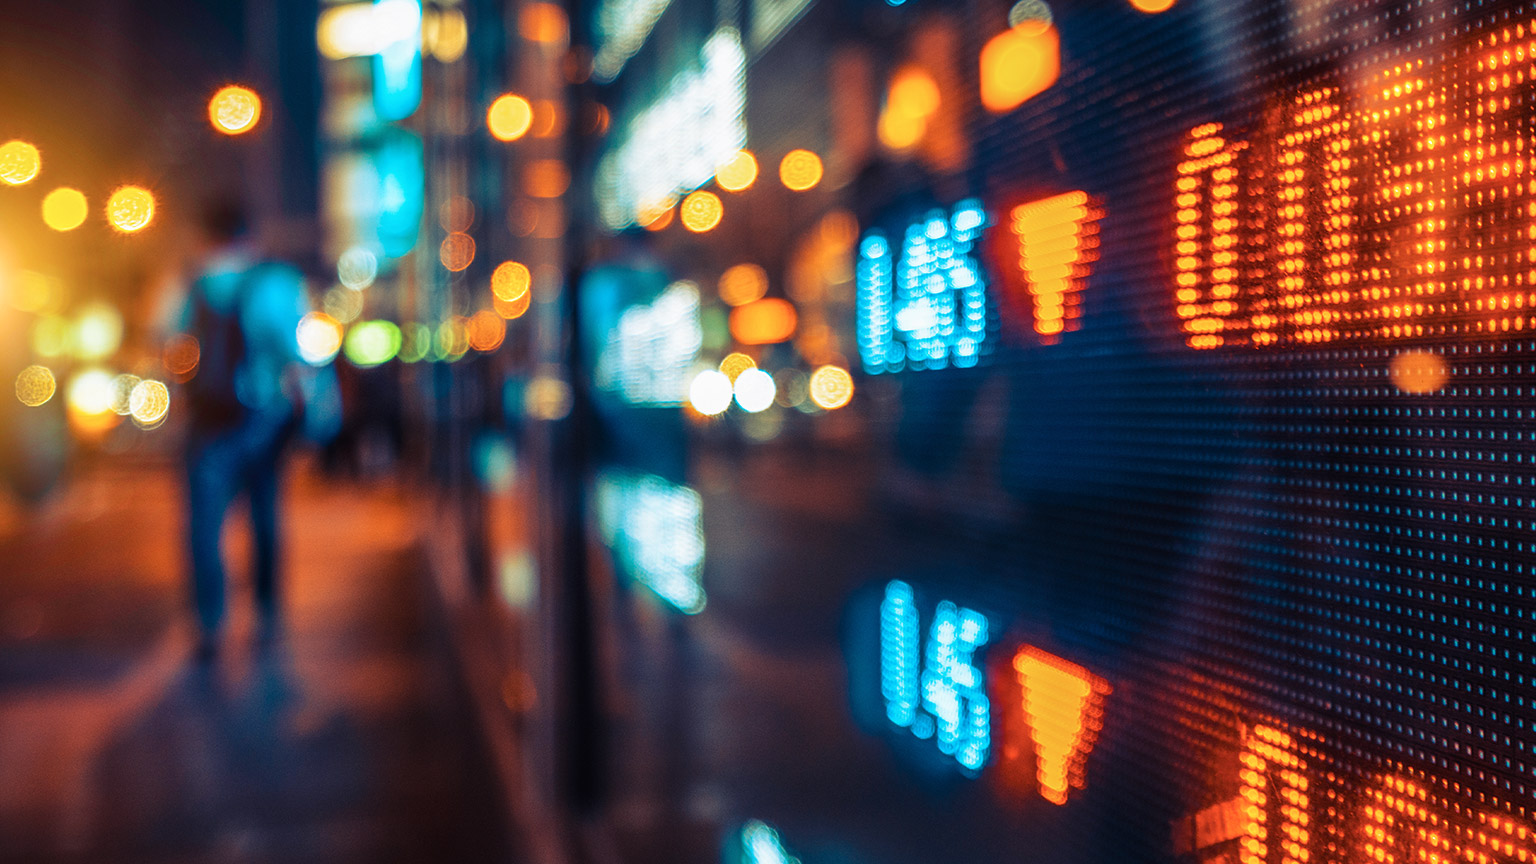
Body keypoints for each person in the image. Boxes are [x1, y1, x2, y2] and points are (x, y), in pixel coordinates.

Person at [172, 199, 336, 656]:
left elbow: (165, 339)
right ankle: (266, 615)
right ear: (249, 235)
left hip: (208, 421)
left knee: (205, 524)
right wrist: (319, 414)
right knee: (266, 517)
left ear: (206, 235)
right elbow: (299, 353)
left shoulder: (190, 283)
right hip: (265, 416)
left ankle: (210, 622)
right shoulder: (276, 282)